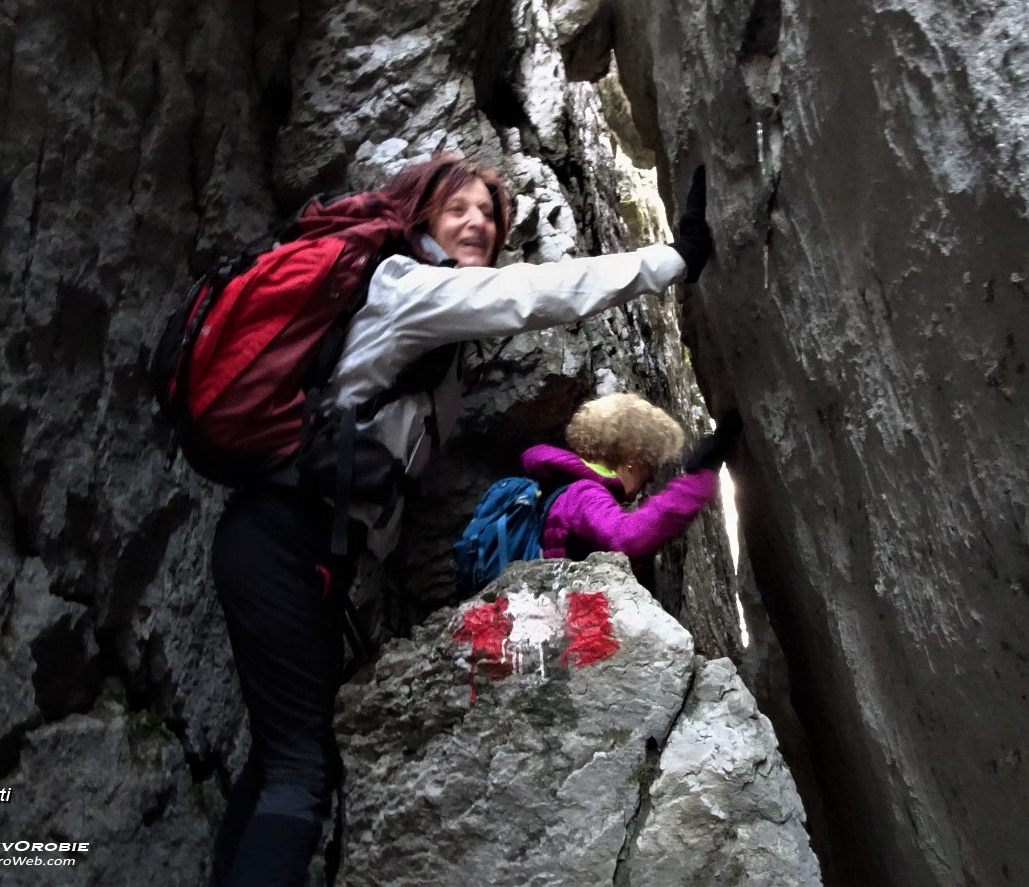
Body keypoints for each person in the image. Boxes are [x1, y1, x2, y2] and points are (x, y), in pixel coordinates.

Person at [207, 154, 715, 886]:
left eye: (490, 214)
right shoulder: (412, 286)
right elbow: (540, 292)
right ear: (420, 217)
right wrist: (672, 259)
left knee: (281, 756)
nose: (478, 221)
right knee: (300, 770)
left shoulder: (426, 330)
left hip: (302, 553)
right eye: (459, 209)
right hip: (284, 541)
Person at [520, 394, 741, 588]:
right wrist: (697, 481)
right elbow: (627, 538)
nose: (652, 477)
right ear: (632, 459)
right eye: (650, 464)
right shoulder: (585, 493)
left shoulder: (565, 491)